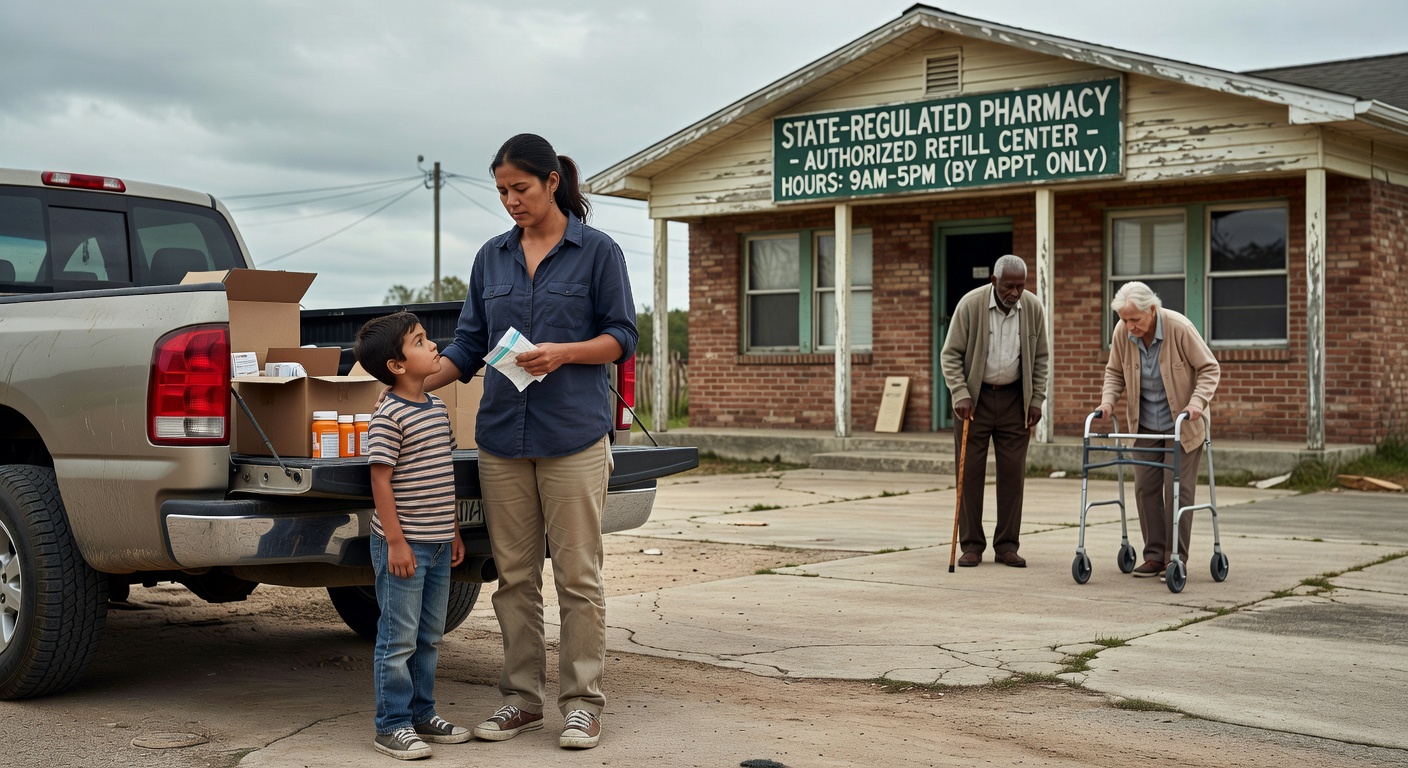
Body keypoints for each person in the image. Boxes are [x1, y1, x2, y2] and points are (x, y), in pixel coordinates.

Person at [422, 134, 637, 751]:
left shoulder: (597, 252)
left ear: (550, 182)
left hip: (573, 436)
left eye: (519, 188)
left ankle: (582, 704)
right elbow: (468, 343)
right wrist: (417, 382)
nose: (510, 201)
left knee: (577, 576)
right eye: (501, 192)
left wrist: (564, 354)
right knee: (514, 577)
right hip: (501, 440)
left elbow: (623, 335)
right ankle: (520, 699)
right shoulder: (491, 257)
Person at [353, 311, 469, 761]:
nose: (434, 346)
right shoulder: (389, 415)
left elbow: (445, 476)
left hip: (439, 543)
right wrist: (397, 543)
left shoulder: (437, 409)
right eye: (420, 342)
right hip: (404, 546)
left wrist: (454, 532)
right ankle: (392, 725)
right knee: (398, 638)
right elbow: (380, 481)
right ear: (397, 366)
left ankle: (423, 713)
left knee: (429, 636)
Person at [1096, 281, 1220, 579]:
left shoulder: (1178, 327)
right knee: (1145, 488)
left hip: (1183, 427)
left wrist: (1196, 404)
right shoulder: (1123, 334)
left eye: (1135, 320)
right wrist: (1108, 402)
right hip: (1145, 426)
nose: (1129, 326)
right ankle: (1153, 555)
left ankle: (1175, 558)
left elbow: (1209, 368)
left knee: (1177, 489)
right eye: (1124, 320)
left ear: (1152, 310)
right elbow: (1114, 372)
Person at [940, 254, 1050, 568]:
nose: (1015, 293)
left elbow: (1041, 358)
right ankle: (971, 545)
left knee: (1013, 476)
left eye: (1020, 286)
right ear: (994, 281)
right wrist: (960, 393)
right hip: (975, 401)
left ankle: (1007, 546)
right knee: (970, 475)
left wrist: (1036, 399)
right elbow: (950, 356)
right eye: (1008, 286)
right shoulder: (970, 305)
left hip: (1016, 399)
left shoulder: (1032, 308)